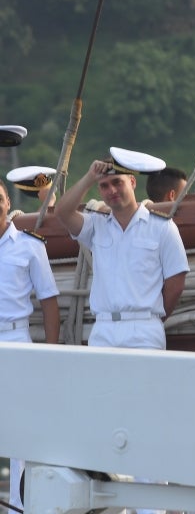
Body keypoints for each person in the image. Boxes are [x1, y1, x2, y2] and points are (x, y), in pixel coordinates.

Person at [54, 151, 189, 349]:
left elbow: (176, 283)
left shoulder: (162, 227)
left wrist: (151, 318)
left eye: (118, 182)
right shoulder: (96, 227)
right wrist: (90, 178)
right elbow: (62, 213)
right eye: (104, 186)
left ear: (132, 182)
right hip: (103, 328)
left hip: (144, 328)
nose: (112, 190)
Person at [1, 178, 60, 514]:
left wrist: (49, 353)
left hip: (16, 340)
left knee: (21, 430)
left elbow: (49, 301)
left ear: (8, 202)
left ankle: (18, 509)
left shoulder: (29, 245)